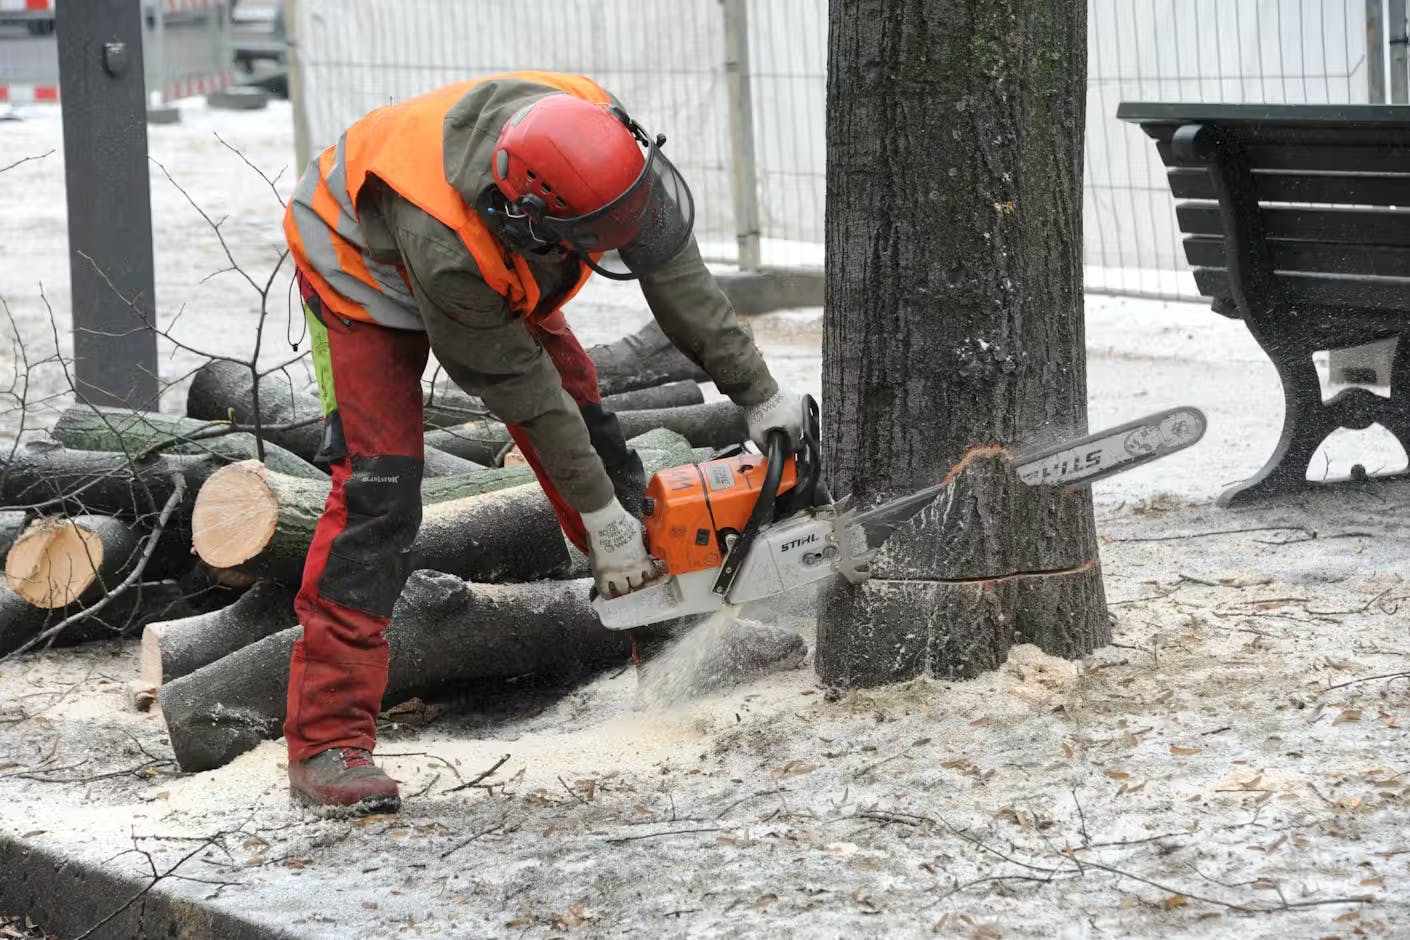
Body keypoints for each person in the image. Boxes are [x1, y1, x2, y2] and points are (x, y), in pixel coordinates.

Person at [280, 70, 802, 815]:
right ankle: (326, 743)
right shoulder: (450, 247)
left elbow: (674, 271)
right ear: (528, 219)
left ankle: (672, 647)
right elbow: (523, 394)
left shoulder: (600, 146)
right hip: (358, 263)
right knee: (379, 492)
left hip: (497, 254)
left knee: (596, 434)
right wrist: (600, 521)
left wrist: (759, 392)